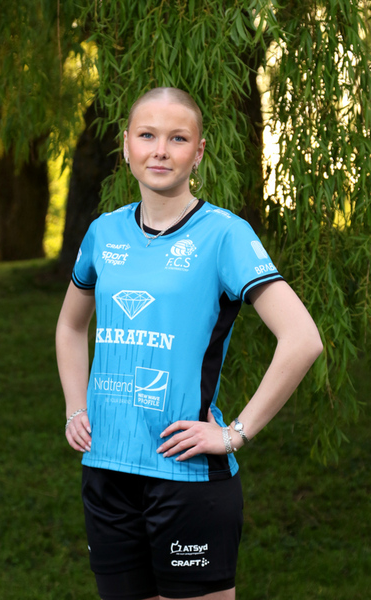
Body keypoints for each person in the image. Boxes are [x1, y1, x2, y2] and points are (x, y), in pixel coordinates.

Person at [56, 87, 323, 600]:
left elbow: (302, 338)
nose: (160, 150)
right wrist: (74, 408)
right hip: (106, 471)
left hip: (187, 475)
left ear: (198, 151)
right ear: (126, 145)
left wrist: (235, 433)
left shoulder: (224, 234)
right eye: (147, 135)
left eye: (177, 138)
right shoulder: (103, 233)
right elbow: (70, 327)